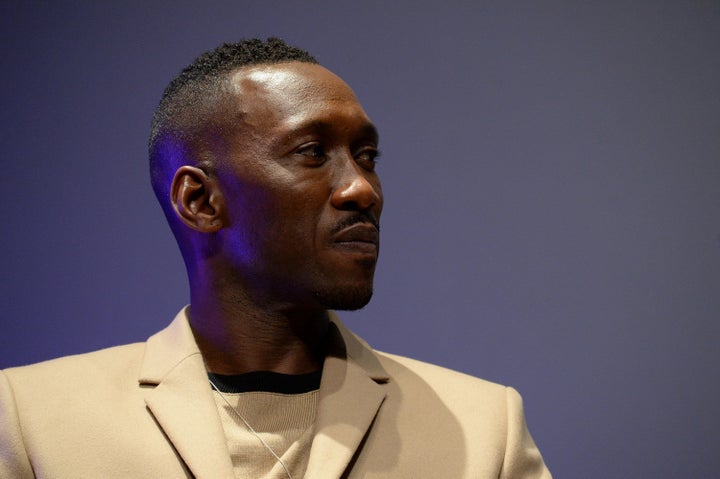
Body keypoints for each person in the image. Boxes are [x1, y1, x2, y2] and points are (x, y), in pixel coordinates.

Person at [0, 38, 551, 478]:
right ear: (199, 201)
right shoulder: (31, 421)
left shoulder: (482, 431)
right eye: (312, 153)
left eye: (367, 156)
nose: (363, 189)